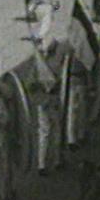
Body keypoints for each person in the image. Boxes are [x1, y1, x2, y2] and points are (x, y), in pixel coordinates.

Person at [30, 43, 62, 176]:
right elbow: (60, 82)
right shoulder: (56, 65)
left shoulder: (37, 67)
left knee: (43, 133)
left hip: (42, 102)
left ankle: (41, 163)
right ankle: (57, 159)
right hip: (54, 102)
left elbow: (29, 84)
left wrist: (39, 88)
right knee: (56, 131)